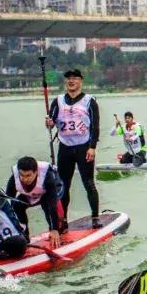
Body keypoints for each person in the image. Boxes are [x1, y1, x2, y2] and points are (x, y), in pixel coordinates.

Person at [45, 69, 99, 230]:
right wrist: (49, 123)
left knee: (88, 182)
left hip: (84, 147)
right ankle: (63, 219)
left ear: (81, 81)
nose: (71, 81)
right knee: (63, 185)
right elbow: (51, 121)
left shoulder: (89, 101)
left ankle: (95, 217)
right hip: (65, 147)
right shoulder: (58, 100)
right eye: (68, 78)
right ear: (65, 82)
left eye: (75, 78)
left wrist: (92, 147)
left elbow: (95, 126)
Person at [5, 156, 64, 250]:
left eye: (28, 175)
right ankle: (25, 237)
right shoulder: (14, 178)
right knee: (17, 206)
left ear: (36, 172)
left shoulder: (48, 177)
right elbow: (8, 202)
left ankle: (59, 229)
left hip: (53, 190)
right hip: (33, 193)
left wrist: (55, 229)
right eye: (22, 175)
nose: (24, 179)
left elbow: (52, 206)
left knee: (48, 206)